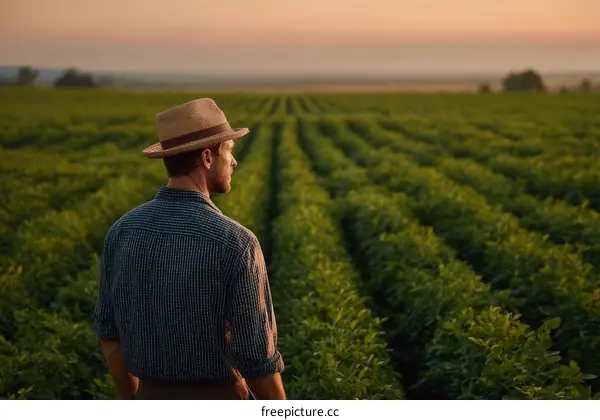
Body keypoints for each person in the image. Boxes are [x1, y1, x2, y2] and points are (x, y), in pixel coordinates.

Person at [93, 98, 286, 400]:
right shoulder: (236, 242)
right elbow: (255, 357)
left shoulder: (122, 231)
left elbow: (110, 336)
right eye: (229, 152)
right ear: (207, 158)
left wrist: (133, 402)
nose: (233, 162)